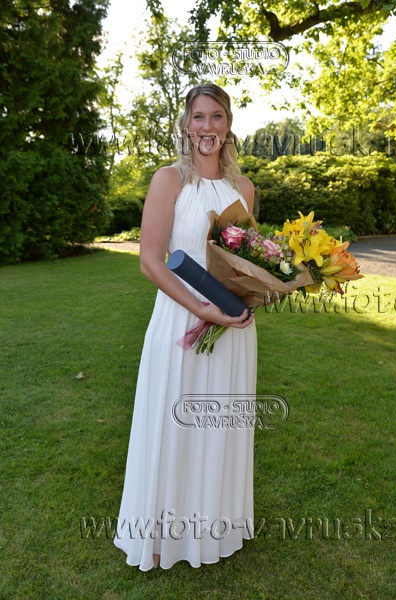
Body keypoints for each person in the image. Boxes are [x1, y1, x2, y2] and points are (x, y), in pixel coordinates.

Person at [114, 82, 257, 571]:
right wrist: (200, 309)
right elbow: (151, 261)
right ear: (186, 124)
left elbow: (246, 262)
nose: (208, 126)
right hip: (180, 316)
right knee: (172, 419)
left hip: (230, 326)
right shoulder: (169, 180)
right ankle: (162, 536)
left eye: (217, 116)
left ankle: (214, 530)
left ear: (229, 125)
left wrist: (249, 299)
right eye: (199, 116)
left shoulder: (244, 189)